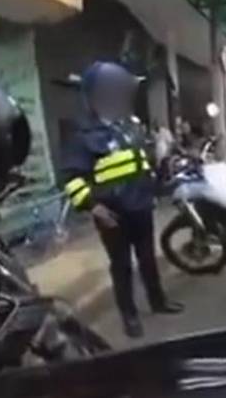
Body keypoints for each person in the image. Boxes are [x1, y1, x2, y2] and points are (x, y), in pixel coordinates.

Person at [59, 61, 182, 338]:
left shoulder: (130, 127)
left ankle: (158, 301)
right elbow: (72, 179)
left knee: (148, 259)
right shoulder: (82, 135)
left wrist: (160, 158)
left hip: (141, 206)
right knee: (122, 266)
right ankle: (129, 316)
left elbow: (142, 164)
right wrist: (94, 207)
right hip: (112, 214)